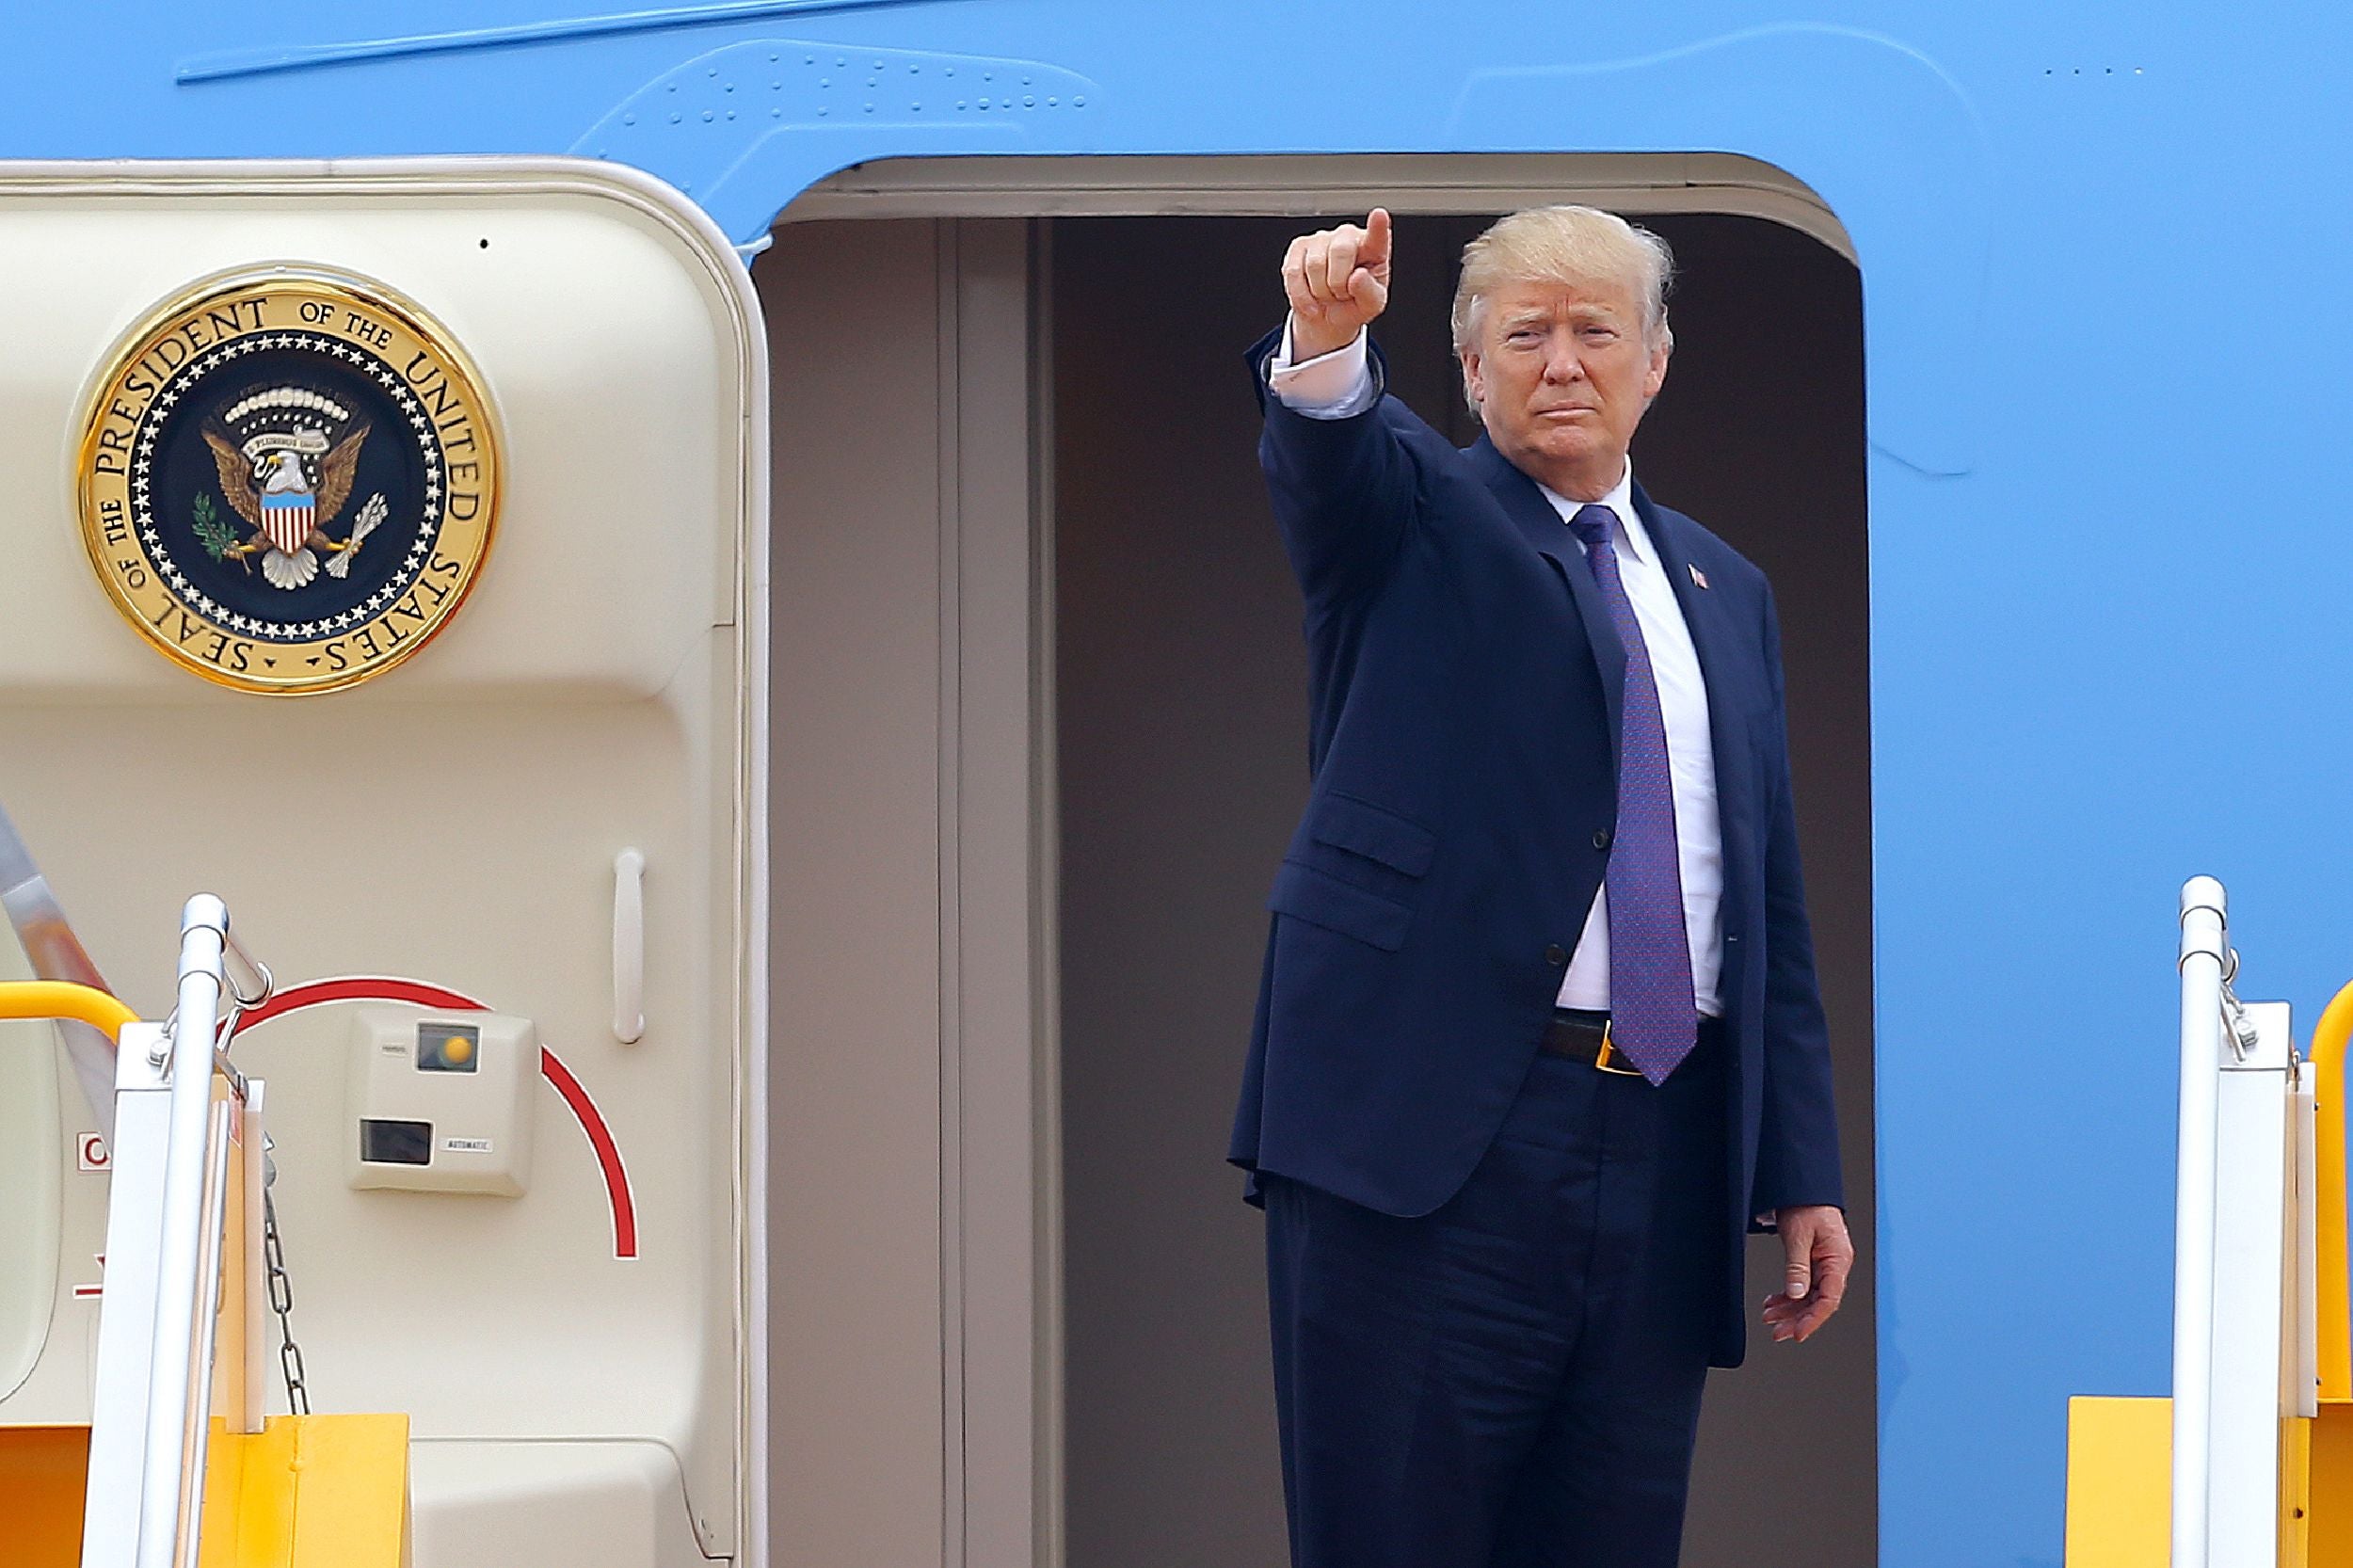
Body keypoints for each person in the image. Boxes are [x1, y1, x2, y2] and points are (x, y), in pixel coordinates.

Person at [1227, 204, 1852, 1568]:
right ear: (1468, 367)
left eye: (1593, 331)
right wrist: (1327, 342)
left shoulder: (1723, 589)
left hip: (1662, 1147)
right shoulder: (1416, 518)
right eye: (1526, 334)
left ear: (1655, 364)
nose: (1562, 363)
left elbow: (1762, 898)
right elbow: (1332, 459)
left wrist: (1797, 1164)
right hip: (1435, 1150)